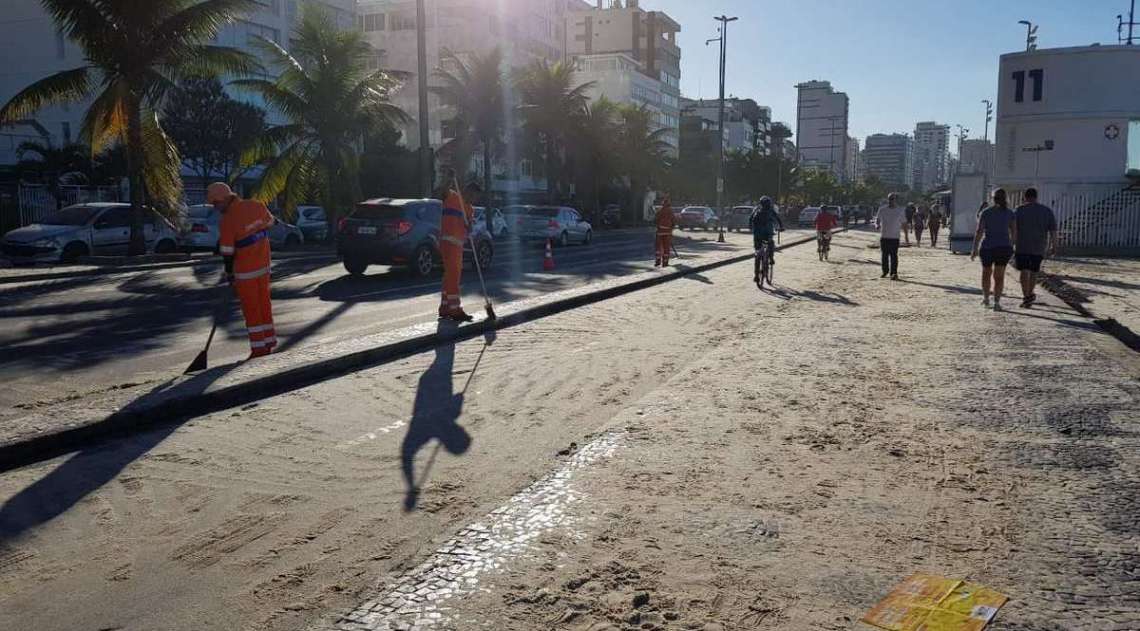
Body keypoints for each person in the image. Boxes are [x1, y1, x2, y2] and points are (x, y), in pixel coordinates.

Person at [210, 182, 277, 359]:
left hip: (245, 272)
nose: (215, 208)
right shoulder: (256, 205)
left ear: (224, 200)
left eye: (215, 204)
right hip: (264, 267)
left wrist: (229, 274)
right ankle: (269, 341)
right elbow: (271, 222)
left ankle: (258, 349)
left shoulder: (228, 220)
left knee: (252, 310)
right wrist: (254, 229)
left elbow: (227, 253)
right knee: (264, 305)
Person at [439, 179, 479, 322]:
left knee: (449, 276)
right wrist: (448, 177)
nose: (474, 199)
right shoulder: (452, 197)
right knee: (454, 277)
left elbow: (470, 227)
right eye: (473, 195)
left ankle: (444, 307)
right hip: (448, 243)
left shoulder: (470, 209)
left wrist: (469, 227)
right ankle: (455, 310)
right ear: (467, 191)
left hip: (457, 245)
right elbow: (442, 190)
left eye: (476, 197)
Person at [972, 188, 1018, 311]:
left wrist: (974, 248)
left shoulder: (985, 212)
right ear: (1005, 198)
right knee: (999, 276)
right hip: (1003, 248)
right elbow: (1014, 232)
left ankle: (986, 298)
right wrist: (1012, 246)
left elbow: (979, 231)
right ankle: (997, 302)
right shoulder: (1010, 213)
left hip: (987, 247)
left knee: (986, 274)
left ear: (993, 198)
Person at [1013, 187, 1058, 308]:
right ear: (1036, 197)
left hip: (1022, 246)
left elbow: (1013, 229)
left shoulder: (1019, 210)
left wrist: (1012, 243)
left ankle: (1026, 296)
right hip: (1039, 247)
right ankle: (1030, 293)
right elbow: (1053, 231)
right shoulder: (1046, 211)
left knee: (1024, 271)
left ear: (1025, 197)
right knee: (1034, 272)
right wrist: (1054, 246)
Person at [749, 196, 783, 283]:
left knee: (757, 254)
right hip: (768, 233)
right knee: (771, 243)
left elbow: (750, 219)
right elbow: (778, 219)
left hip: (757, 235)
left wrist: (750, 227)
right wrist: (781, 227)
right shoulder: (771, 210)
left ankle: (756, 276)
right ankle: (771, 258)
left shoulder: (756, 210)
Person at [876, 193, 906, 280]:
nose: (891, 201)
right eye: (889, 199)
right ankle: (885, 271)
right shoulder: (882, 210)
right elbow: (877, 219)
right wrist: (877, 225)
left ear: (896, 200)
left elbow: (904, 223)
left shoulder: (900, 210)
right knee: (884, 255)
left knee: (894, 255)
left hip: (895, 237)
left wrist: (906, 236)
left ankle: (894, 273)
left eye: (892, 199)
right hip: (884, 236)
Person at [654, 195, 676, 267]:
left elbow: (656, 220)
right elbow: (674, 221)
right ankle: (665, 262)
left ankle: (657, 261)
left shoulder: (660, 211)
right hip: (668, 232)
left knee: (658, 247)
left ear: (662, 204)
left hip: (659, 232)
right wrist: (671, 228)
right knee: (666, 248)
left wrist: (658, 227)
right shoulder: (670, 211)